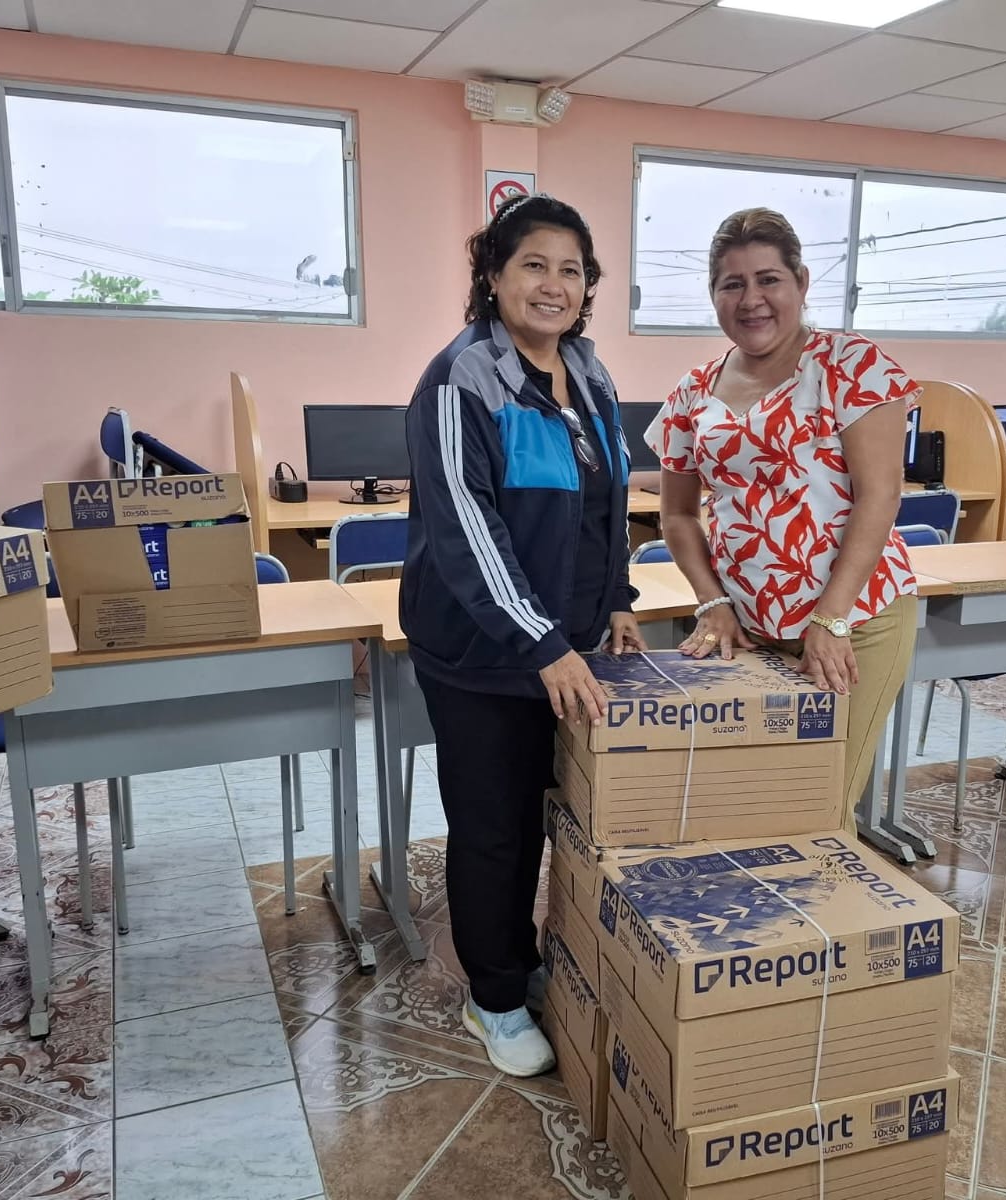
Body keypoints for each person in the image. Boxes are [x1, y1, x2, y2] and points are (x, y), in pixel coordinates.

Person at [400, 194, 643, 1077]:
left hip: (570, 647)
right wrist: (542, 642)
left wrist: (617, 597)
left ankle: (533, 958)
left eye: (571, 270)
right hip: (486, 654)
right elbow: (467, 529)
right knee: (494, 828)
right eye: (533, 265)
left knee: (550, 816)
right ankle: (495, 997)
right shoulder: (460, 379)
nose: (553, 285)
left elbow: (608, 503)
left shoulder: (589, 372)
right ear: (494, 276)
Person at [645, 207, 919, 834]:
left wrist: (831, 617)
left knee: (815, 806)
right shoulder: (692, 392)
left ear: (801, 282)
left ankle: (828, 900)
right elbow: (678, 514)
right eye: (732, 284)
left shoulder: (850, 365)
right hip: (746, 628)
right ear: (713, 295)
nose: (752, 299)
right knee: (748, 802)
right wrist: (712, 602)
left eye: (768, 279)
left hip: (853, 621)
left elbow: (880, 497)